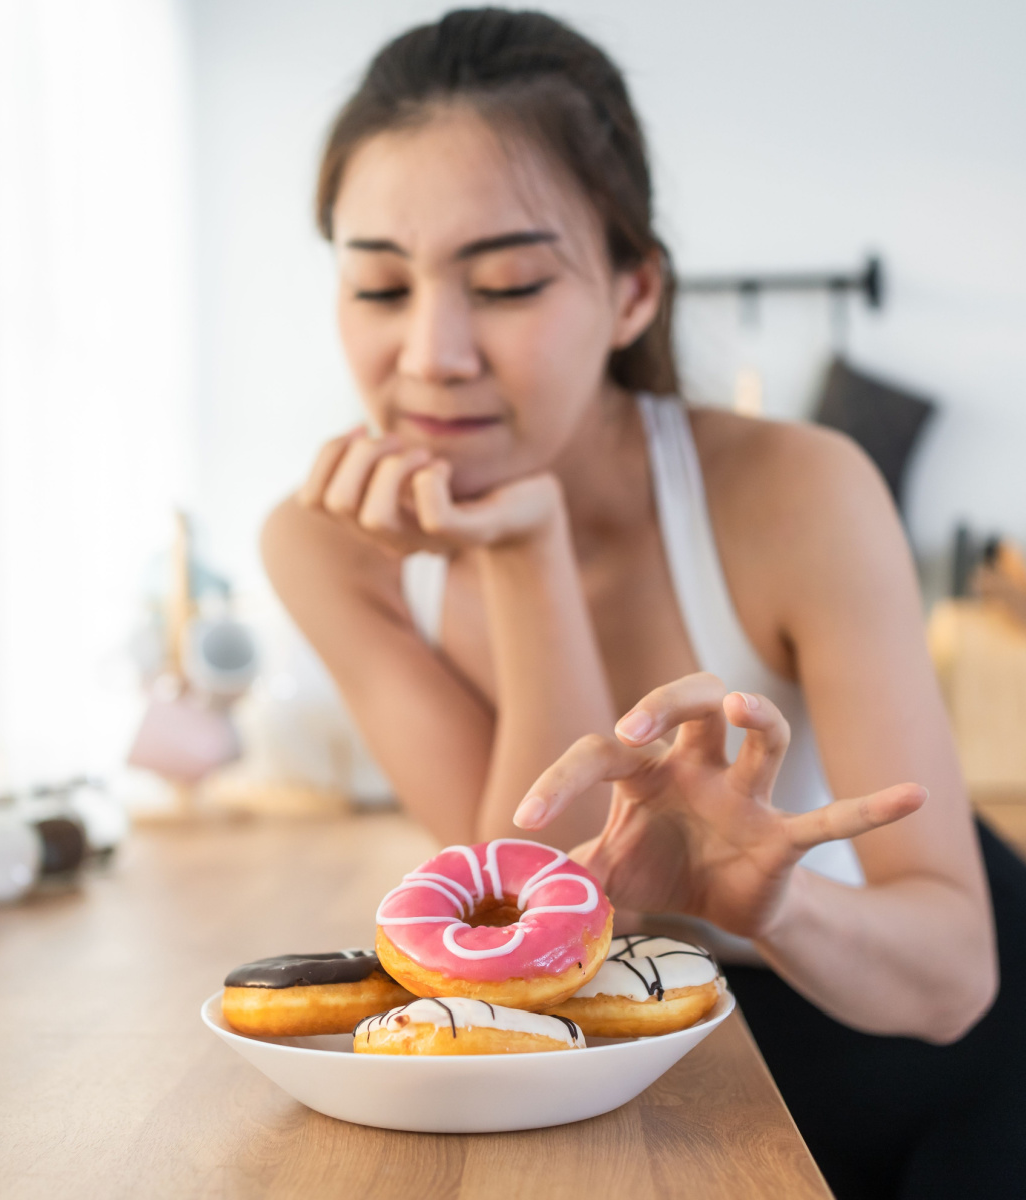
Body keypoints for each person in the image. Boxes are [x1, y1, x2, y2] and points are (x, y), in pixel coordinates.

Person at [261, 10, 1025, 1196]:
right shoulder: (326, 545)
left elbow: (954, 976)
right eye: (377, 285)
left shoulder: (800, 492)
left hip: (904, 1032)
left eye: (507, 282)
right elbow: (520, 911)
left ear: (632, 295)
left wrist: (776, 904)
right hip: (631, 1042)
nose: (431, 352)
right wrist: (527, 551)